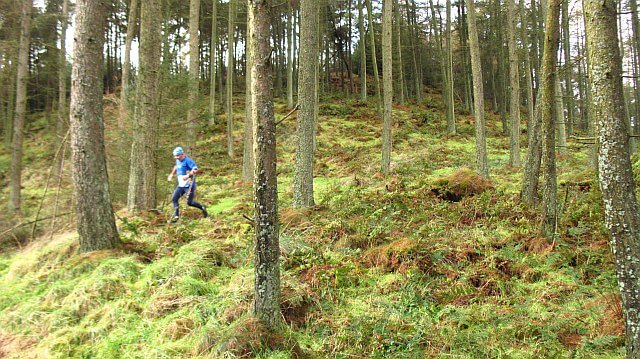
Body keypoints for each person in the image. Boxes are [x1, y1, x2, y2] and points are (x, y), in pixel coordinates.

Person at [167, 146, 208, 222]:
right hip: (181, 185)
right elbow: (176, 166)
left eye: (178, 156)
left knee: (190, 202)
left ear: (182, 154)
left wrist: (188, 175)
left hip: (189, 185)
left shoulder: (188, 161)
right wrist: (171, 174)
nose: (176, 158)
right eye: (175, 156)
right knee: (174, 199)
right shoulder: (178, 160)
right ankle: (176, 216)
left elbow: (195, 169)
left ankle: (202, 207)